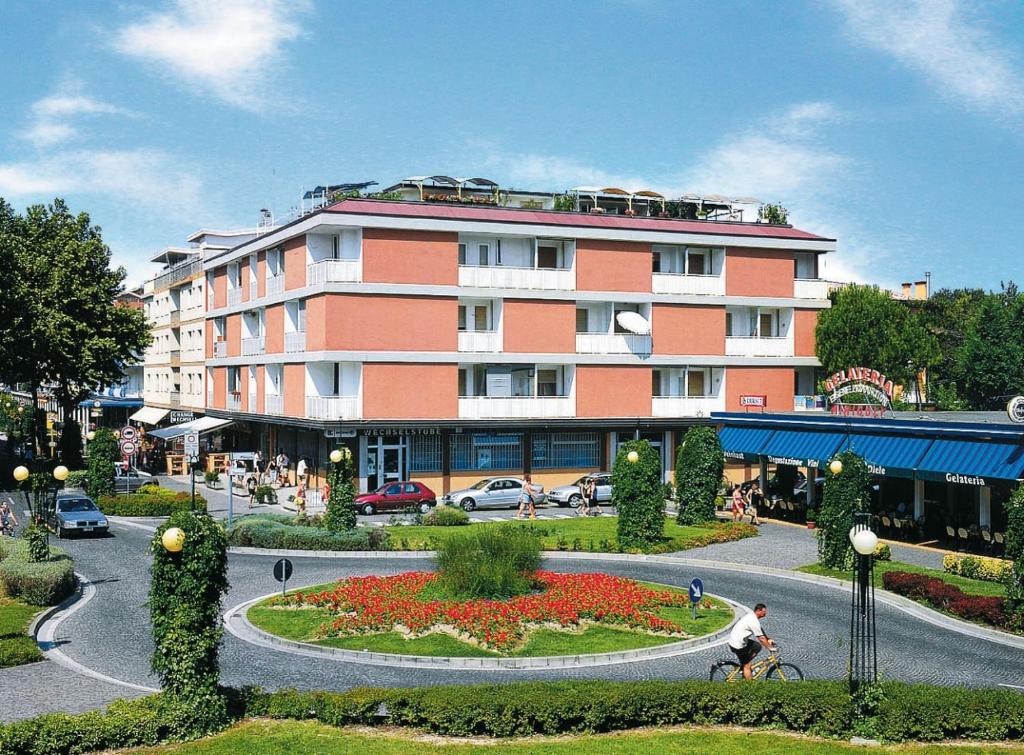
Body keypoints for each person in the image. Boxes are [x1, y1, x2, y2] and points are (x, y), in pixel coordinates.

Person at [728, 603, 775, 680]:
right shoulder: (753, 621)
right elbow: (761, 638)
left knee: (757, 646)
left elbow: (760, 630)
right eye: (764, 611)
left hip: (739, 640)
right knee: (747, 665)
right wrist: (770, 648)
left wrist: (768, 638)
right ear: (758, 611)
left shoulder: (752, 617)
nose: (765, 613)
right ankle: (749, 685)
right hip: (737, 644)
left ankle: (745, 665)